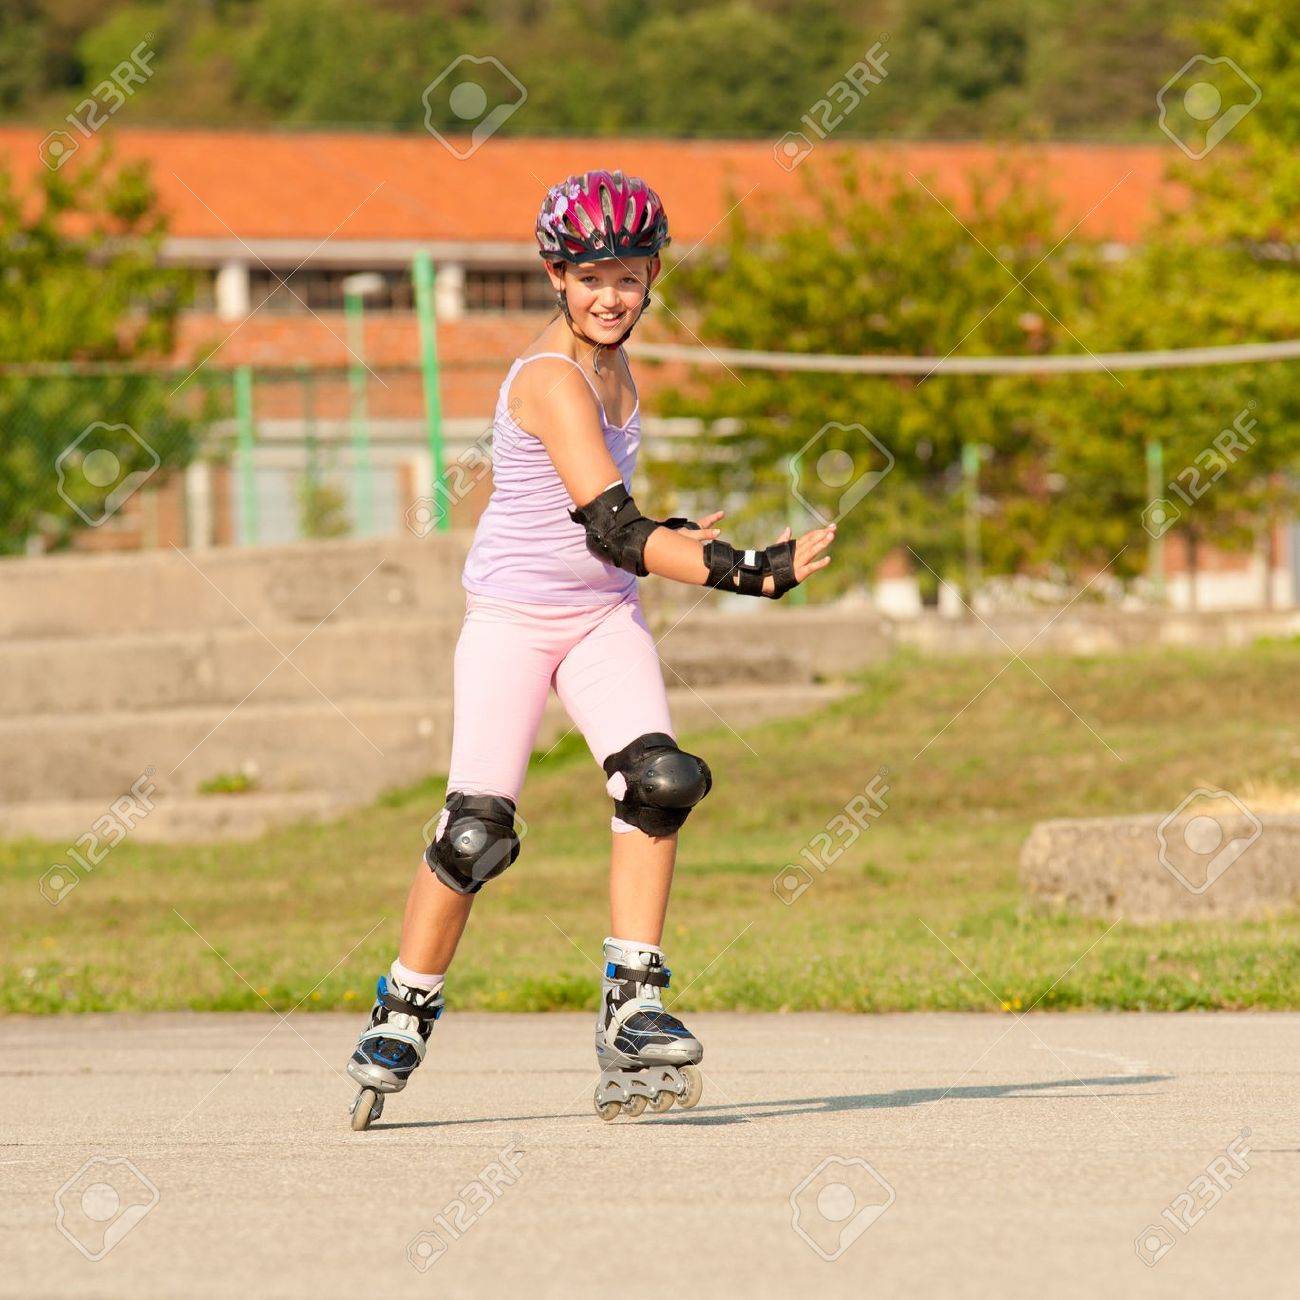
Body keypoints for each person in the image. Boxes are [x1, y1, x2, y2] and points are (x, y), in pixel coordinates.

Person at [346, 169, 835, 1129]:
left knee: (661, 781)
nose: (611, 297)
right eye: (590, 278)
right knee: (477, 833)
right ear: (555, 277)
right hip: (514, 621)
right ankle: (405, 1006)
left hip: (602, 614)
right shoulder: (551, 379)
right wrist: (751, 571)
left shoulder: (618, 367)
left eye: (628, 277)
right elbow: (613, 530)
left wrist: (674, 535)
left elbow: (601, 523)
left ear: (651, 277)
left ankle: (633, 1003)